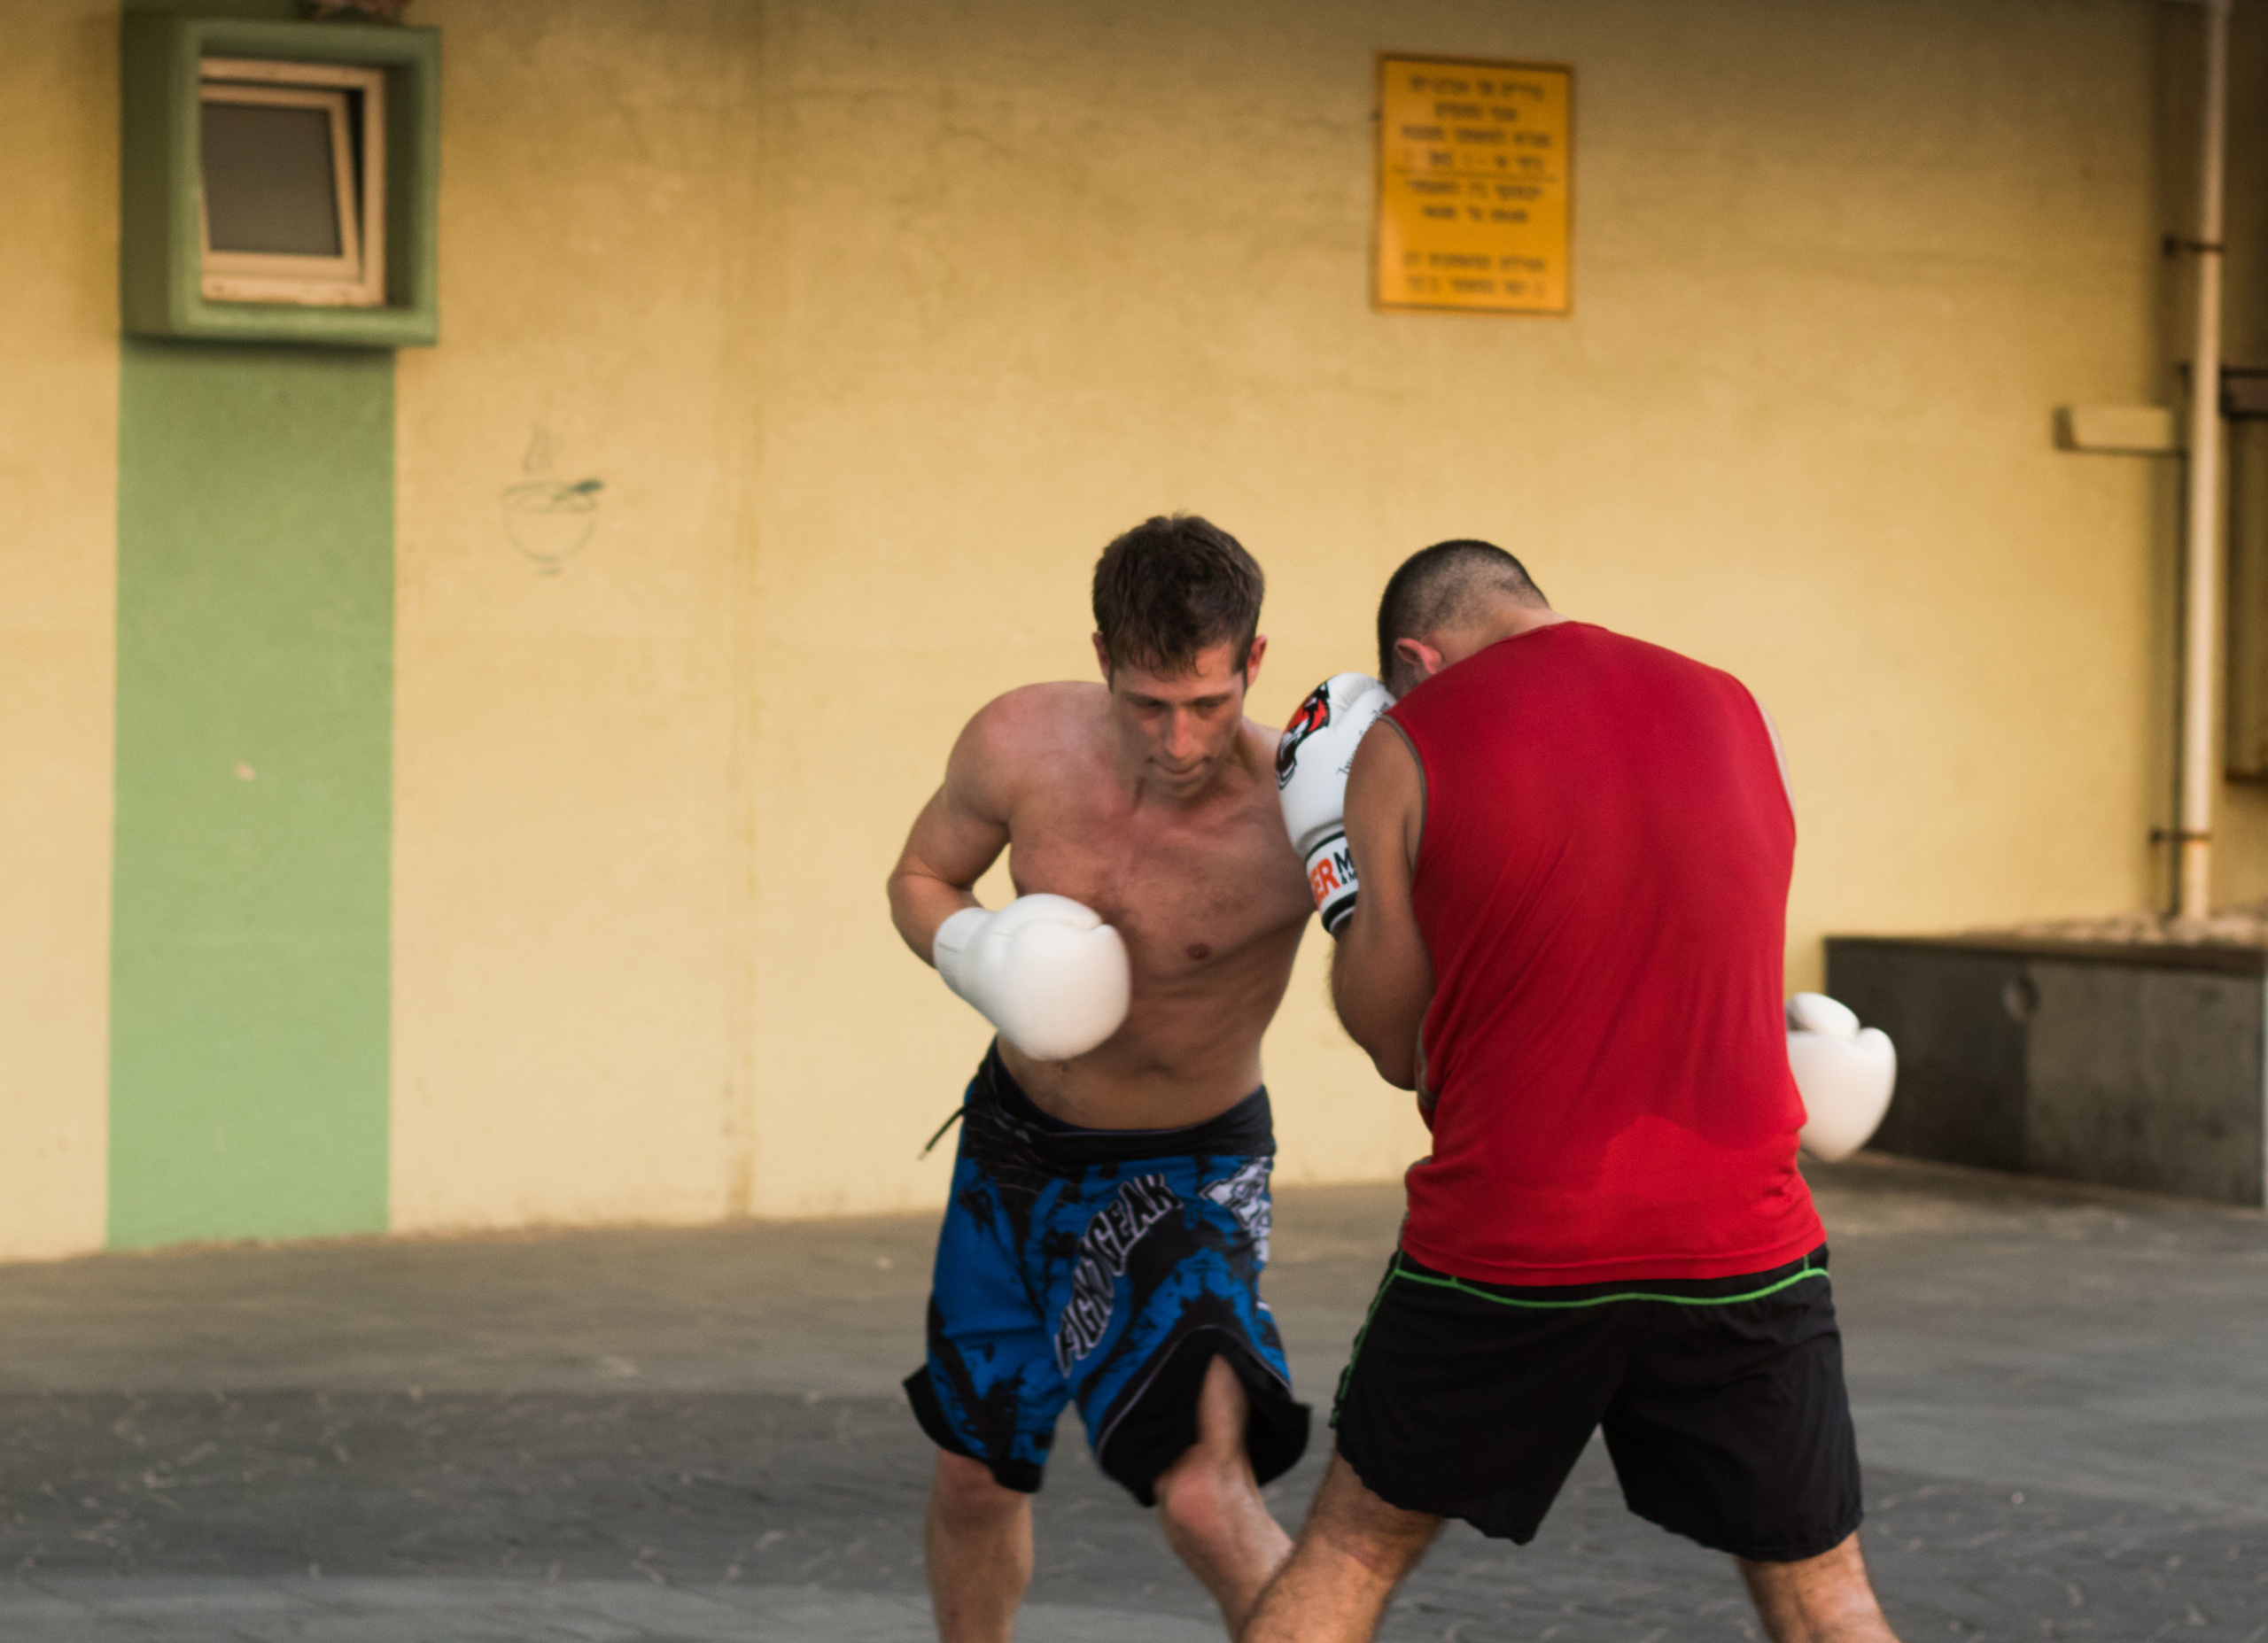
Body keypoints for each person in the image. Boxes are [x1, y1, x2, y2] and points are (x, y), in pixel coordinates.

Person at [1249, 541, 1902, 1643]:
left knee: (1352, 1554)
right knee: (1825, 1593)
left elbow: (1392, 1038)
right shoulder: (1738, 709)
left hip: (1515, 1240)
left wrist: (1337, 871)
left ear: (1418, 657)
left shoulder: (1408, 740)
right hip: (1740, 1235)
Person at [886, 515, 1316, 1642]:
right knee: (975, 1476)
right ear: (1100, 657)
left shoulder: (1306, 811)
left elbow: (1453, 950)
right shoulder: (1019, 740)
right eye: (1146, 703)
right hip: (1011, 1150)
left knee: (1202, 1495)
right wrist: (980, 956)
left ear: (1254, 663)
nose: (1178, 740)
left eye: (1209, 704)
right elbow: (923, 876)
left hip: (1188, 1174)